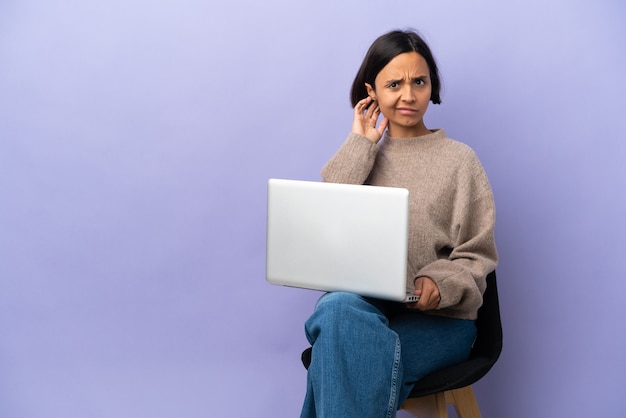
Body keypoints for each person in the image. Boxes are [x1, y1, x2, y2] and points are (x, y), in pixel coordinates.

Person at [300, 29, 498, 418]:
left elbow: (477, 254)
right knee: (338, 308)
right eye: (394, 84)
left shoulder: (460, 161)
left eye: (419, 82)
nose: (408, 96)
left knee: (343, 356)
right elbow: (326, 225)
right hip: (368, 310)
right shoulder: (363, 156)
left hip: (441, 322)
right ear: (370, 91)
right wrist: (361, 144)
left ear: (432, 87)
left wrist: (438, 284)